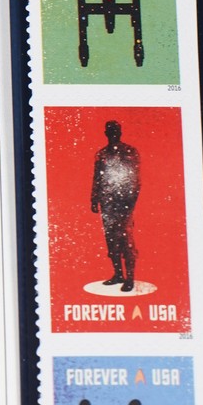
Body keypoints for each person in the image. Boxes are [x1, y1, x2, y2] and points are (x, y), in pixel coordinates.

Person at [90, 120, 140, 293]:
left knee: (126, 239)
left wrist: (130, 202)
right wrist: (94, 199)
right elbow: (97, 178)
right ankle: (118, 275)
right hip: (107, 203)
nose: (113, 133)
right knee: (111, 239)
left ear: (120, 132)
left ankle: (130, 278)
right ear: (106, 133)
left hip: (124, 203)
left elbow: (135, 178)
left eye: (115, 130)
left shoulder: (130, 151)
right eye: (110, 131)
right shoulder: (102, 154)